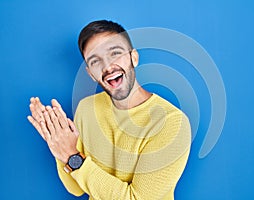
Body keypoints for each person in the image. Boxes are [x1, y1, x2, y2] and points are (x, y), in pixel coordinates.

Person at [27, 20, 191, 200]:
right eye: (95, 61)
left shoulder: (171, 122)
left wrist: (72, 156)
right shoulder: (86, 108)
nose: (107, 67)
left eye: (115, 53)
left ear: (133, 58)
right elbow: (76, 188)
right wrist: (59, 147)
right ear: (90, 73)